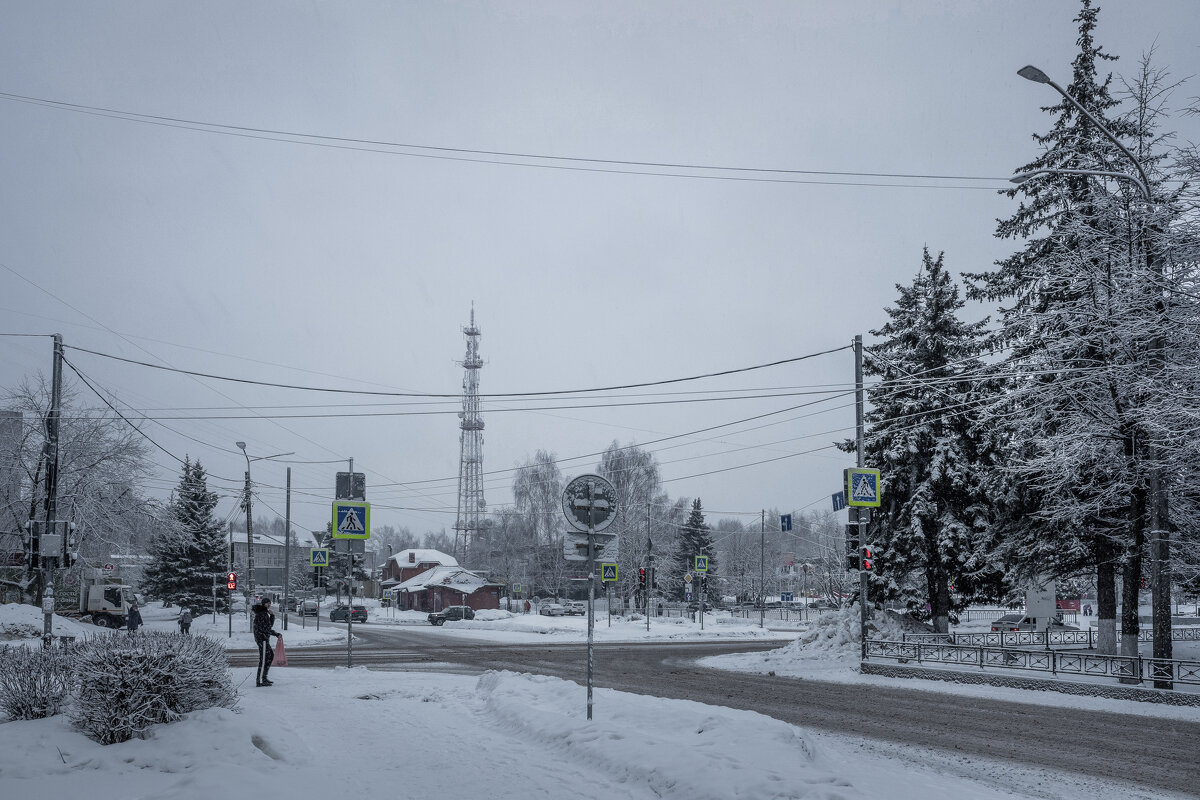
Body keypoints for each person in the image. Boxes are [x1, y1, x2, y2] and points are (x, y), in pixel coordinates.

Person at [252, 598, 281, 687]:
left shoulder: (264, 613)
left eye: (269, 603)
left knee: (269, 656)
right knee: (264, 659)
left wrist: (272, 616)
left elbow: (268, 625)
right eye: (267, 603)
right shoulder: (262, 614)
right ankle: (259, 680)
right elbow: (266, 628)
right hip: (262, 639)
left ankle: (264, 677)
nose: (269, 605)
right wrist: (276, 634)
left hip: (263, 639)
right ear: (263, 604)